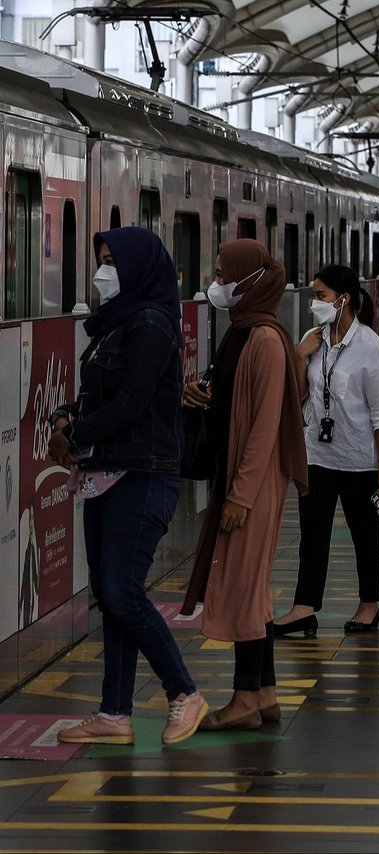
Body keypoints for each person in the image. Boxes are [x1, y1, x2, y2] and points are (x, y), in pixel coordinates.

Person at [48, 226, 208, 746]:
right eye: (100, 259)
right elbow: (99, 397)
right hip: (105, 474)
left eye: (113, 260)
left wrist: (77, 433)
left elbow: (134, 401)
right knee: (110, 595)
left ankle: (184, 693)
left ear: (139, 266)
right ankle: (114, 714)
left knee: (122, 591)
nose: (103, 270)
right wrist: (66, 417)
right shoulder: (113, 324)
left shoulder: (150, 322)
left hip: (142, 474)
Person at [181, 238, 308, 730]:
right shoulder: (242, 332)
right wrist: (204, 396)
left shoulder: (266, 341)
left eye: (221, 274)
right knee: (253, 588)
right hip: (241, 478)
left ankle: (243, 701)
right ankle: (267, 695)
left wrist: (240, 495)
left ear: (249, 281)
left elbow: (263, 427)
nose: (216, 283)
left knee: (243, 590)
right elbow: (237, 404)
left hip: (252, 484)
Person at [274, 265, 379, 638]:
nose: (315, 303)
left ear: (343, 299)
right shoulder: (313, 340)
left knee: (365, 531)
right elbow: (297, 397)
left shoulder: (371, 349)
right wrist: (299, 357)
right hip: (317, 454)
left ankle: (368, 605)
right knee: (313, 533)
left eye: (321, 295)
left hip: (359, 458)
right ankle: (305, 606)